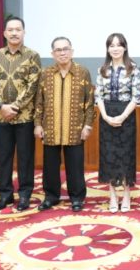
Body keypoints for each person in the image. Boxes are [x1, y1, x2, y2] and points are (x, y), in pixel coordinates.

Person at [0, 16, 41, 211]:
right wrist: (1, 106)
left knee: (25, 158)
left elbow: (33, 85)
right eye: (11, 30)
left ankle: (25, 195)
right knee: (4, 157)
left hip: (24, 116)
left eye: (18, 29)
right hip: (1, 115)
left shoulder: (32, 56)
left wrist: (15, 106)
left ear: (24, 32)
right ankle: (5, 195)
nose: (14, 33)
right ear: (5, 33)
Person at [34, 37, 94, 212]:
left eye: (65, 49)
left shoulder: (82, 72)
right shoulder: (46, 73)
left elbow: (90, 101)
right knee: (50, 166)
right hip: (50, 127)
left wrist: (87, 125)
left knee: (75, 165)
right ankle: (51, 196)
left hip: (75, 127)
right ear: (52, 54)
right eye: (58, 50)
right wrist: (38, 124)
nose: (62, 53)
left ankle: (77, 198)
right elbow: (39, 101)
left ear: (72, 52)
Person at [95, 33, 140, 213]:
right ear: (107, 49)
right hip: (106, 114)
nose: (115, 48)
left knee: (125, 156)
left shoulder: (133, 68)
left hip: (126, 114)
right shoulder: (102, 69)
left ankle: (127, 194)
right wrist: (106, 117)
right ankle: (113, 195)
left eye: (118, 45)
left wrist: (122, 117)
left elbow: (136, 97)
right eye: (111, 45)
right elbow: (98, 96)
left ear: (125, 47)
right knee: (109, 156)